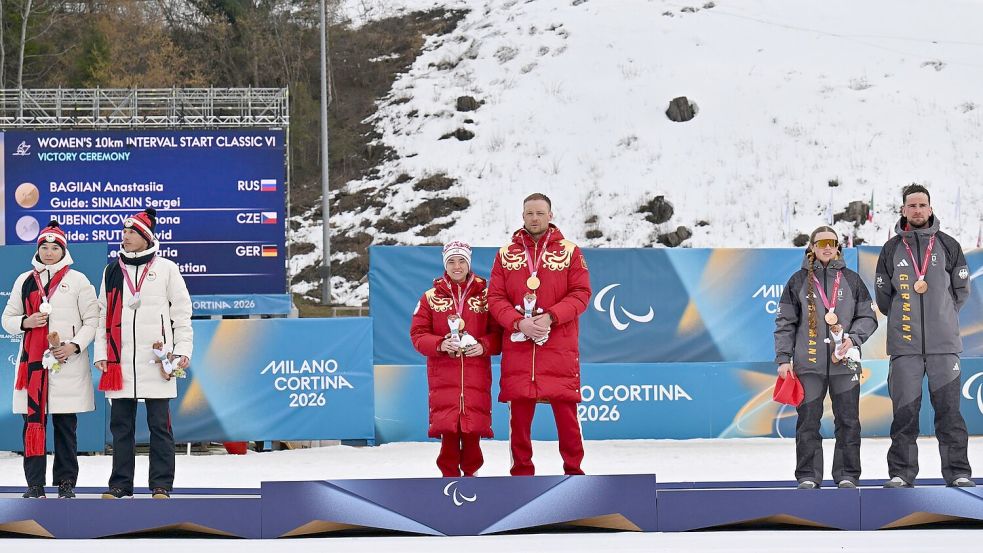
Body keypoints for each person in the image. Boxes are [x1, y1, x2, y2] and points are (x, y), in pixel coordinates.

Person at [874, 184, 975, 488]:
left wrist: (941, 315)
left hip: (944, 347)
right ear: (903, 210)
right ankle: (902, 474)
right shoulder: (891, 249)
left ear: (930, 209)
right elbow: (882, 298)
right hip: (905, 347)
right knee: (904, 415)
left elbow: (961, 292)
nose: (917, 210)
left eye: (922, 205)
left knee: (950, 413)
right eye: (911, 205)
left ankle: (957, 472)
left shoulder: (948, 244)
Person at [487, 193, 591, 476]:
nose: (535, 218)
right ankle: (521, 473)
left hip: (558, 346)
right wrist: (519, 323)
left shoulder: (571, 251)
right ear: (523, 216)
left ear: (550, 215)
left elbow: (581, 294)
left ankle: (574, 472)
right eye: (529, 213)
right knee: (519, 418)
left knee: (567, 416)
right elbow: (495, 298)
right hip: (520, 348)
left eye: (540, 213)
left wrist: (550, 317)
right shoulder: (506, 254)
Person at [94, 208, 193, 499]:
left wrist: (182, 349)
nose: (125, 236)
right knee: (120, 428)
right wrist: (102, 352)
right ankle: (120, 485)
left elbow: (182, 314)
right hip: (120, 362)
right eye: (124, 232)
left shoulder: (166, 269)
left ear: (146, 237)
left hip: (158, 360)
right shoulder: (112, 270)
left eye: (132, 232)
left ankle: (161, 485)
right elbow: (102, 316)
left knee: (159, 427)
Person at [774, 226, 877, 489]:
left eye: (832, 242)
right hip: (808, 364)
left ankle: (847, 475)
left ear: (838, 247)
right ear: (812, 248)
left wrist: (853, 338)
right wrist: (784, 358)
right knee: (808, 421)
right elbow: (785, 322)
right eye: (821, 243)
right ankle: (808, 475)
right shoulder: (797, 281)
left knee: (849, 421)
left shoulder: (852, 280)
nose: (827, 247)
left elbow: (868, 317)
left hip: (847, 360)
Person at [2, 222, 99, 499]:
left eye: (54, 247)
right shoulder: (25, 280)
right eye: (44, 247)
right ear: (38, 250)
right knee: (32, 425)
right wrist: (25, 321)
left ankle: (66, 482)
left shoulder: (78, 280)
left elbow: (92, 321)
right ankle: (35, 484)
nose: (48, 252)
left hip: (66, 363)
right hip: (33, 369)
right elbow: (7, 319)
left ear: (63, 250)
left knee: (66, 429)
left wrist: (74, 345)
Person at [410, 240, 501, 477]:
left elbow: (500, 335)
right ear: (444, 264)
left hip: (476, 377)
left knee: (472, 435)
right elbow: (418, 335)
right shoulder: (429, 298)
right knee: (448, 436)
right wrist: (440, 344)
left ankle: (472, 480)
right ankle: (447, 483)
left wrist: (483, 346)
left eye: (461, 261)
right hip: (444, 379)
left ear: (469, 264)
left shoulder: (488, 295)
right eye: (451, 261)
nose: (457, 266)